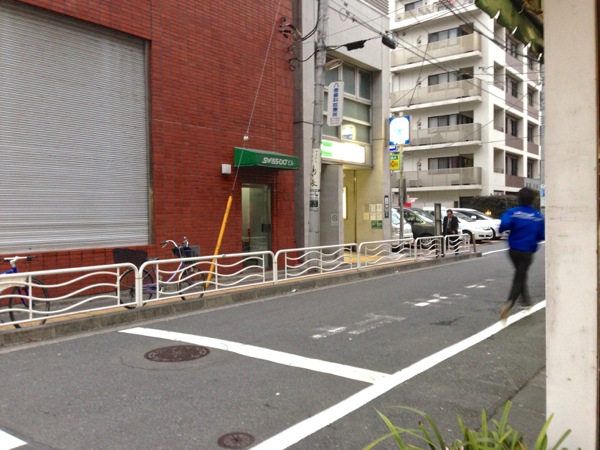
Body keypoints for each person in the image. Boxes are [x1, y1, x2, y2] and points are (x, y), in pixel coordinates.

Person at [499, 187, 545, 320]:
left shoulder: (512, 212)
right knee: (519, 277)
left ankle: (526, 300)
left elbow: (503, 226)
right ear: (533, 200)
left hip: (513, 250)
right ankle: (510, 302)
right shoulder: (538, 216)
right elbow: (542, 236)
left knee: (521, 274)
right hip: (527, 251)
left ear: (519, 199)